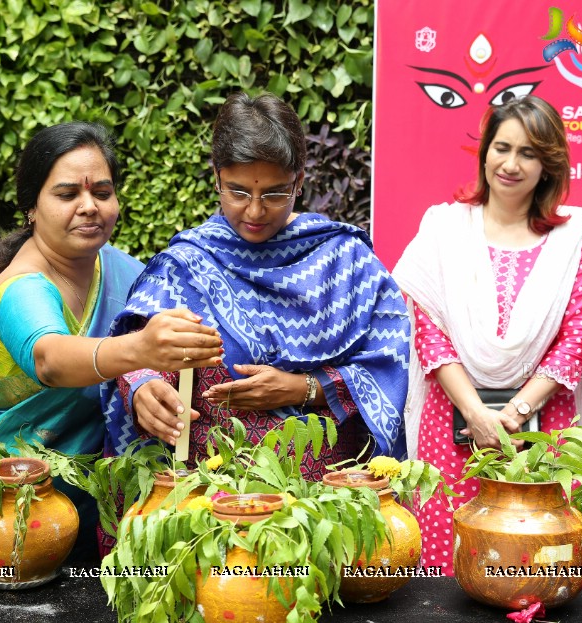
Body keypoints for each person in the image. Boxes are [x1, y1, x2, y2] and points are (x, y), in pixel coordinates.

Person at [104, 92, 410, 477]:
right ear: (217, 177)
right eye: (237, 191)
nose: (254, 210)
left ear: (299, 181)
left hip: (326, 504)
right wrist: (143, 388)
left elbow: (388, 362)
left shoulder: (347, 263)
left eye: (274, 193)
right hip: (210, 499)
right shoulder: (187, 264)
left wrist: (304, 389)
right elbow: (136, 346)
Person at [0, 121, 222, 557]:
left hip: (103, 498)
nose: (89, 207)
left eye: (101, 192)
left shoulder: (123, 270)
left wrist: (142, 382)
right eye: (67, 195)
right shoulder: (21, 288)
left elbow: (143, 361)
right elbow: (51, 359)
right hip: (15, 505)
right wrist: (138, 350)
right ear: (31, 207)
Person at [393, 96, 582, 571]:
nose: (511, 164)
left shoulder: (576, 236)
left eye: (528, 153)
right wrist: (476, 413)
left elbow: (578, 337)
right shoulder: (444, 227)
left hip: (545, 426)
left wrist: (515, 413)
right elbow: (429, 330)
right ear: (485, 151)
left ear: (549, 166)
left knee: (537, 563)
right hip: (454, 423)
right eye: (502, 148)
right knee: (448, 564)